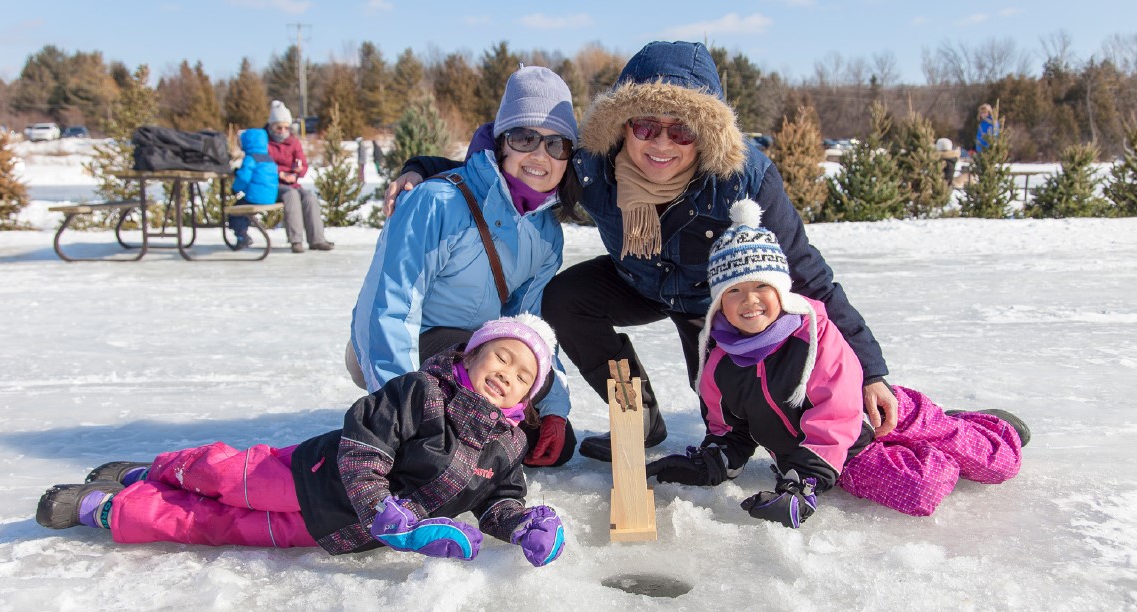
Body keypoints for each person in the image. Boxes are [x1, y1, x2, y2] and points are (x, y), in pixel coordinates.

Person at [389, 41, 900, 464]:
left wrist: (871, 371)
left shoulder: (745, 179)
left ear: (706, 136)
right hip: (637, 283)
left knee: (728, 426)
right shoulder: (592, 166)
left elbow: (807, 278)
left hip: (714, 305)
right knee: (564, 298)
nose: (661, 144)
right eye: (645, 126)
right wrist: (424, 167)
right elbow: (515, 163)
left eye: (681, 131)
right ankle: (638, 420)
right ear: (622, 126)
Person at [35, 315, 567, 568]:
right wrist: (387, 513)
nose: (508, 374)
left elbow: (497, 501)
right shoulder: (423, 391)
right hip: (305, 476)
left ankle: (105, 511)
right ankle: (151, 472)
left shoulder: (508, 447)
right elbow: (365, 447)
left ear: (527, 396)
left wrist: (522, 525)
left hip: (333, 531)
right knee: (220, 475)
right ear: (471, 353)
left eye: (524, 375)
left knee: (212, 525)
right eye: (502, 356)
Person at [645, 200, 1026, 527]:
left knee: (998, 465)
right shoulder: (719, 364)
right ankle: (936, 447)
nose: (751, 301)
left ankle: (975, 428)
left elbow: (838, 407)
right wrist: (708, 465)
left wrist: (806, 480)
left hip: (868, 414)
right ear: (719, 303)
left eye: (762, 286)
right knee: (921, 488)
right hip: (843, 453)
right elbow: (730, 429)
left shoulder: (813, 337)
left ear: (781, 289)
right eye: (734, 291)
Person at [347, 66, 581, 468]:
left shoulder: (546, 232)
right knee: (447, 438)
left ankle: (467, 420)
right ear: (502, 142)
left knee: (548, 440)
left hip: (484, 355)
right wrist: (400, 409)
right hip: (417, 342)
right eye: (526, 138)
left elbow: (530, 325)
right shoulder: (438, 202)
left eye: (557, 144)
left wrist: (555, 409)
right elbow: (391, 306)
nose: (540, 155)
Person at [266, 100, 334, 254]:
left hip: (292, 183)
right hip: (273, 185)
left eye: (285, 127)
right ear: (271, 127)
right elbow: (264, 165)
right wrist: (280, 174)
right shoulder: (266, 143)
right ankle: (296, 240)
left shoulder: (293, 142)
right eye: (279, 127)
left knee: (309, 197)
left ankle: (317, 239)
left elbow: (302, 163)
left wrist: (297, 171)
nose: (283, 130)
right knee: (292, 196)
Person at [228, 128, 279, 250]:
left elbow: (244, 178)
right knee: (243, 211)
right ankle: (243, 233)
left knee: (235, 212)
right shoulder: (269, 159)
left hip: (254, 197)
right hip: (270, 197)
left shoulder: (250, 159)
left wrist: (235, 189)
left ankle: (241, 236)